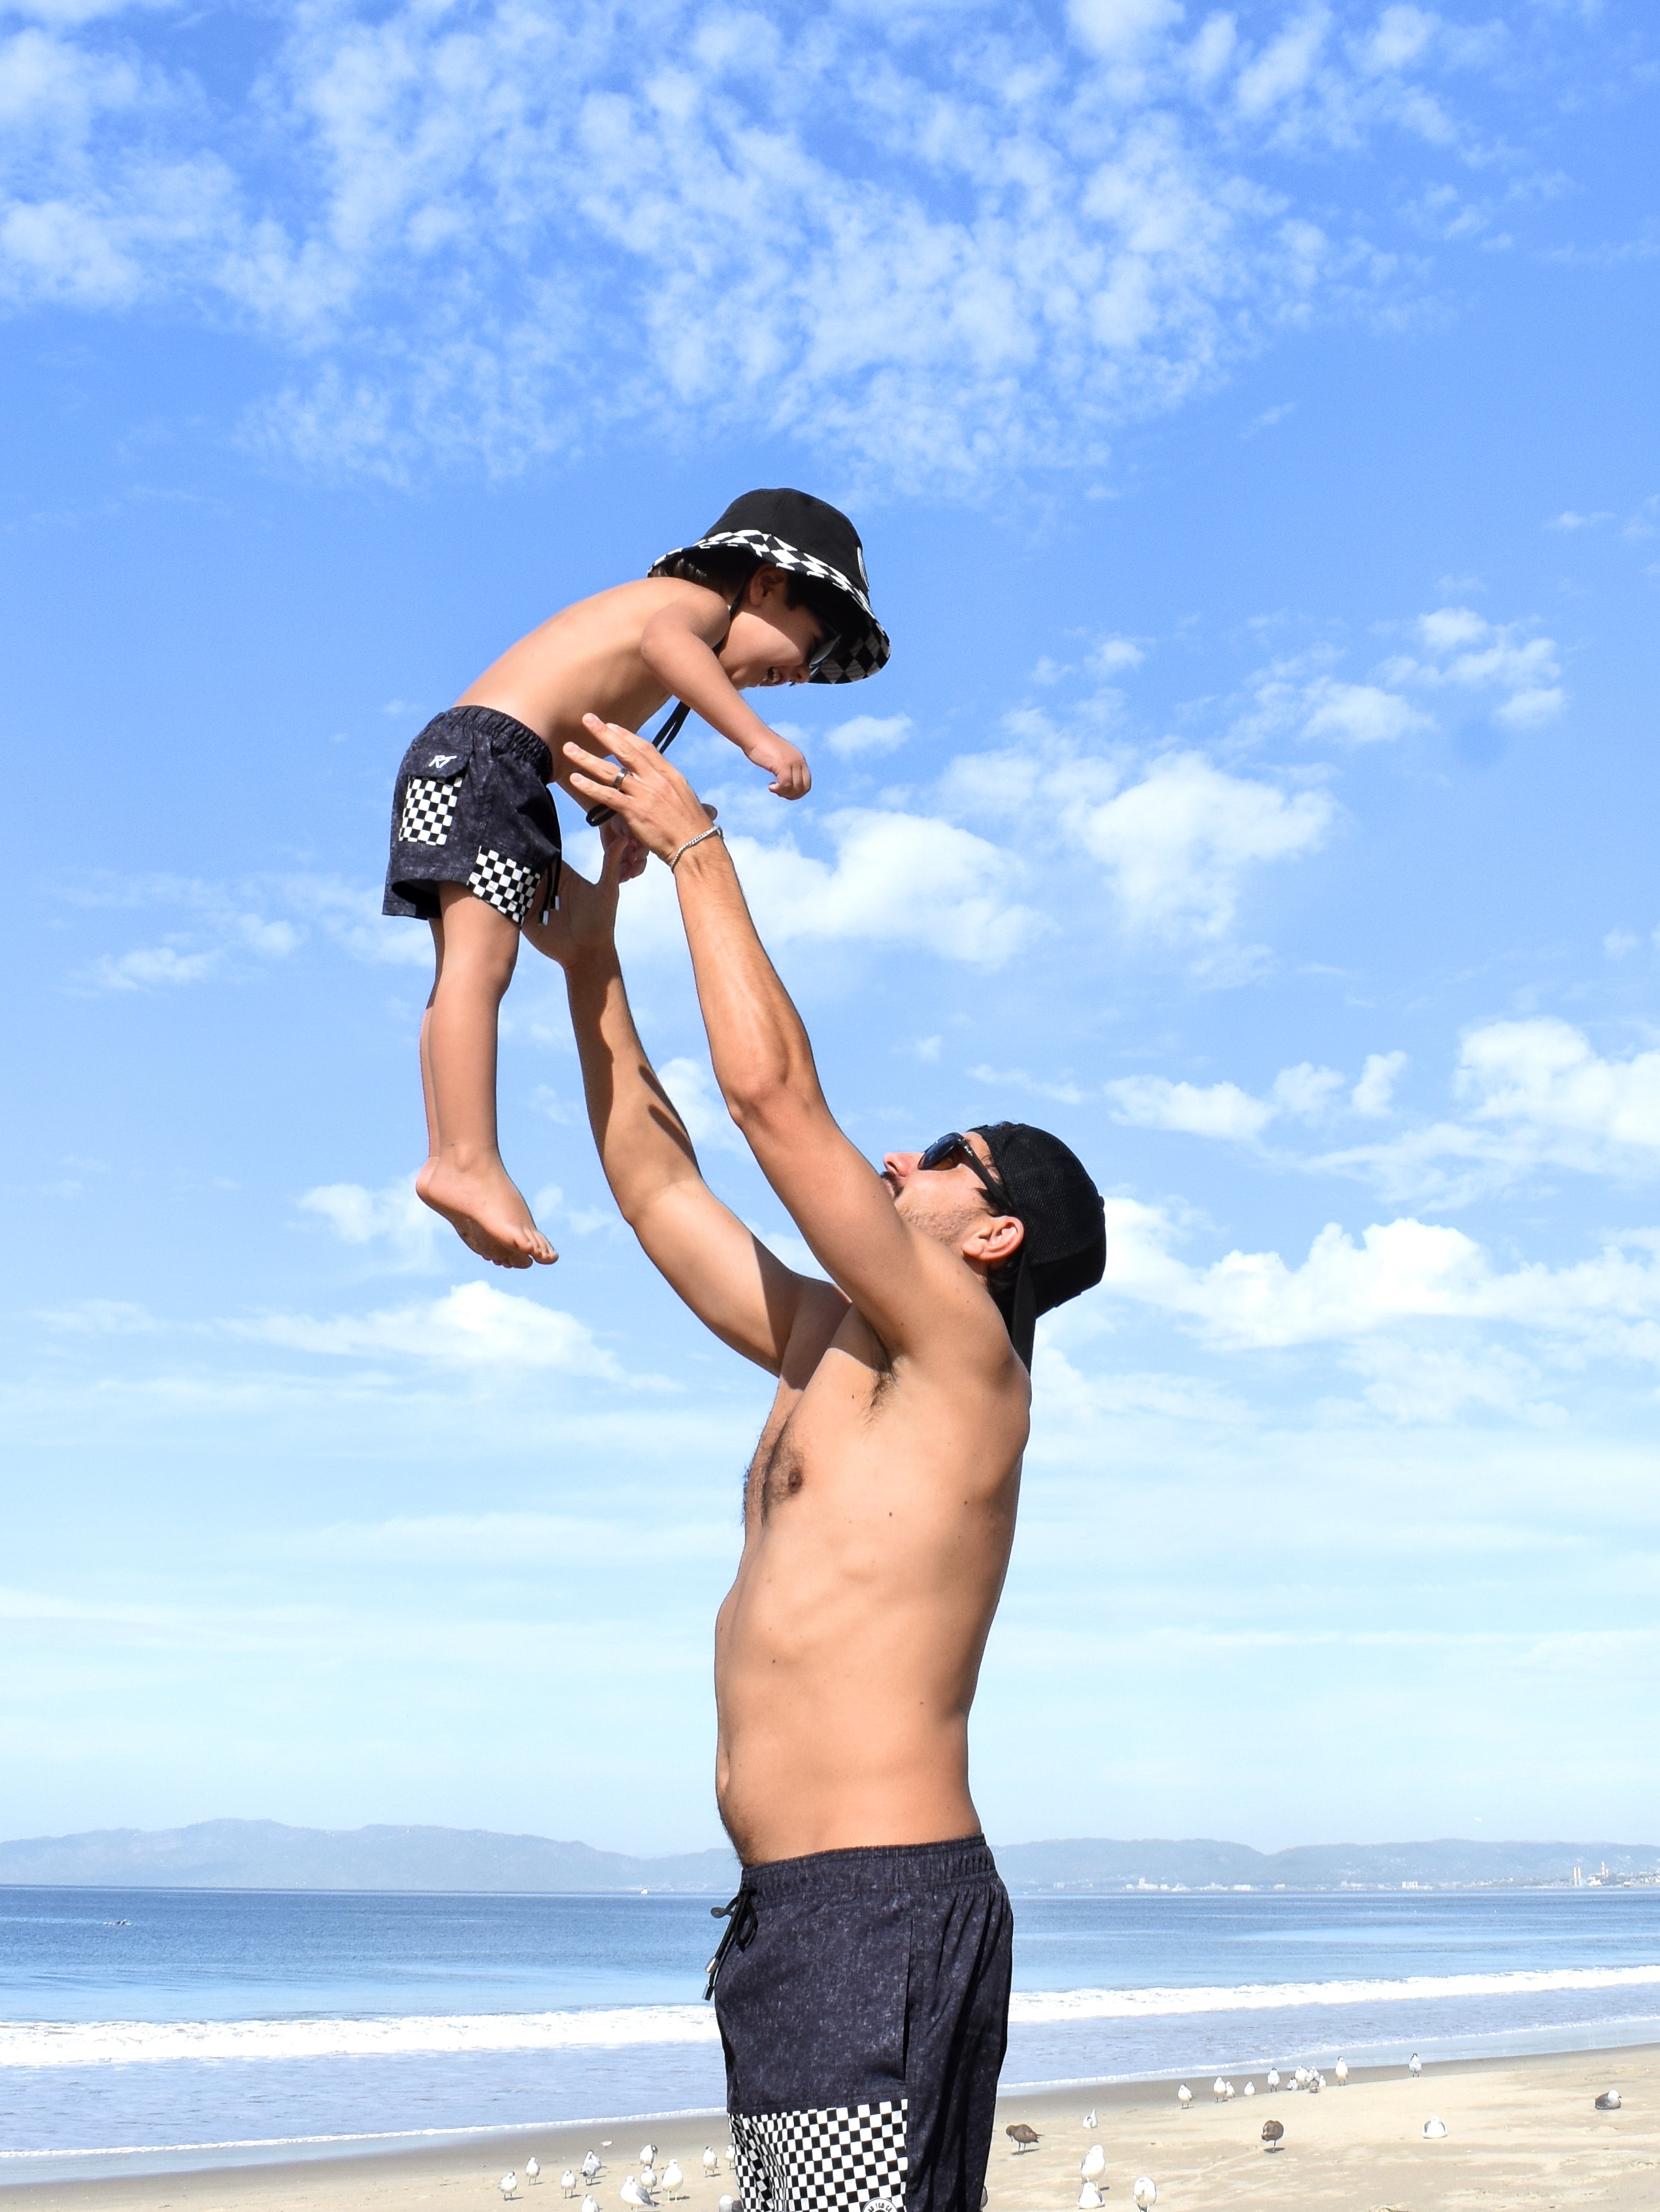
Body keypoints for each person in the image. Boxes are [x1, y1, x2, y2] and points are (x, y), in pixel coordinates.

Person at [524, 720, 1106, 2212]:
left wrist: (695, 847)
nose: (894, 1164)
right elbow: (660, 1191)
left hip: (877, 1906)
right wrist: (592, 960)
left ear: (997, 1234)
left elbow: (774, 1107)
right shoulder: (831, 1346)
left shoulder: (969, 1370)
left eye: (935, 1154)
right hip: (795, 1915)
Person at [381, 489, 889, 1271]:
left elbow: (570, 734)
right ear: (762, 584)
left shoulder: (662, 632)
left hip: (479, 760)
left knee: (463, 973)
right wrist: (756, 738)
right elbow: (665, 647)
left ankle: (455, 1150)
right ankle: (466, 1158)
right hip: (489, 762)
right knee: (481, 971)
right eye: (814, 648)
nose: (799, 677)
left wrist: (606, 814)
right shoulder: (688, 610)